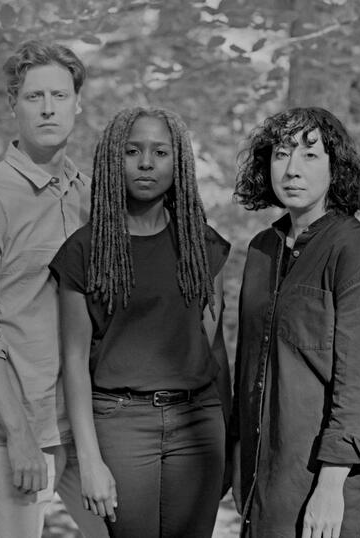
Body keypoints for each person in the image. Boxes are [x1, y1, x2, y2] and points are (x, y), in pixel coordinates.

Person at [0, 41, 108, 538]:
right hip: (7, 426)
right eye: (34, 96)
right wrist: (18, 436)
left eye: (60, 94)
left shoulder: (92, 194)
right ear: (13, 104)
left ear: (77, 103)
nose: (48, 107)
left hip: (84, 422)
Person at [49, 106, 231, 537]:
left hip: (199, 424)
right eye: (132, 151)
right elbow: (74, 364)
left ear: (179, 163)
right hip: (121, 423)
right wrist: (90, 461)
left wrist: (230, 441)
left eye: (160, 152)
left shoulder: (202, 245)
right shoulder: (84, 251)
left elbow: (215, 347)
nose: (146, 163)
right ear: (114, 159)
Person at [231, 106, 360, 538]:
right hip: (269, 474)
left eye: (310, 156)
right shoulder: (262, 249)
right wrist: (241, 460)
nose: (291, 170)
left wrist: (330, 487)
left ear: (335, 168)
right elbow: (251, 364)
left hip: (336, 487)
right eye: (281, 154)